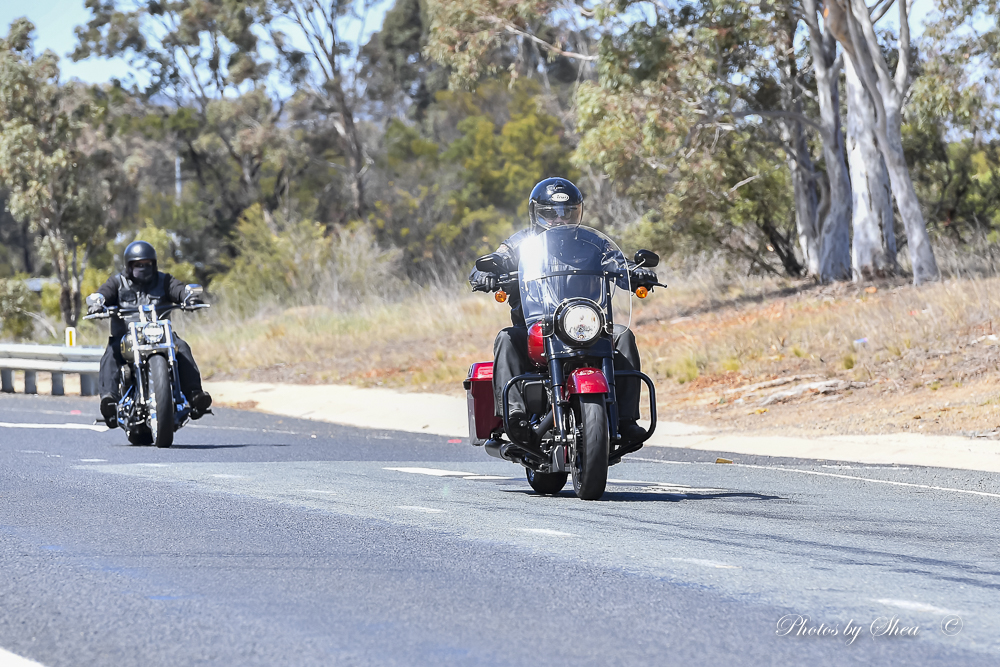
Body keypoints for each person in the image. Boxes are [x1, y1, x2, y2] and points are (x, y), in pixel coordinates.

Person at [469, 177, 657, 445]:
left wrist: (635, 273)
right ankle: (514, 414)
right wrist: (484, 274)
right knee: (506, 339)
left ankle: (626, 419)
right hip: (537, 326)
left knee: (623, 336)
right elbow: (497, 258)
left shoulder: (593, 243)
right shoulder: (523, 243)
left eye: (567, 212)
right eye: (551, 213)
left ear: (578, 212)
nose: (559, 219)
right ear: (536, 213)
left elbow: (617, 263)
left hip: (587, 324)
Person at [86, 241, 212, 427]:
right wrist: (98, 303)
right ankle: (109, 400)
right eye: (138, 265)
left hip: (160, 335)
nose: (143, 268)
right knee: (111, 354)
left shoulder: (164, 281)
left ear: (154, 264)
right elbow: (104, 293)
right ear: (129, 266)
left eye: (147, 264)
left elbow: (178, 290)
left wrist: (188, 297)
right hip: (127, 338)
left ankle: (194, 395)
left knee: (182, 346)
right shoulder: (117, 283)